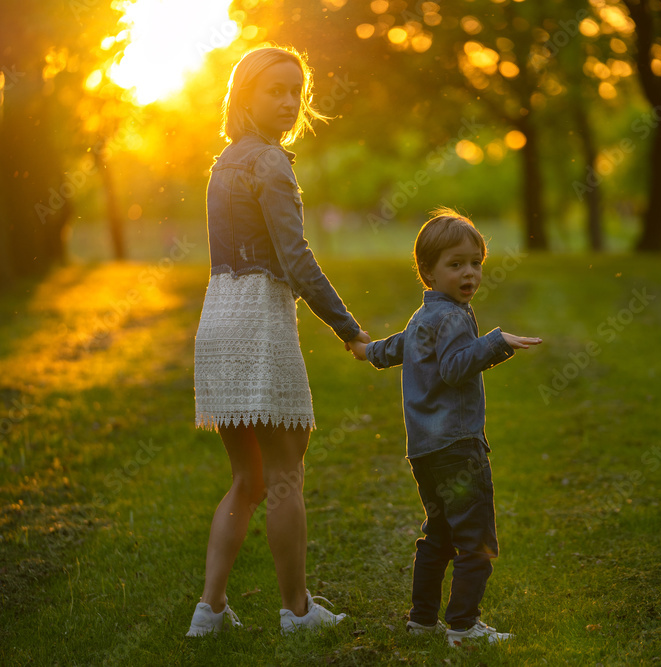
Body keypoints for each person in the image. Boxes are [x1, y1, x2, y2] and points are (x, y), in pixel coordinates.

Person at [188, 46, 369, 637]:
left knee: (250, 478)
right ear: (245, 95)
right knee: (286, 475)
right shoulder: (269, 163)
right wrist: (351, 331)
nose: (289, 102)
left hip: (218, 321)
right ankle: (297, 612)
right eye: (276, 91)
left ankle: (209, 610)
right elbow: (296, 261)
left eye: (296, 91)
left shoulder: (223, 163)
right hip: (259, 324)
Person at [348, 209, 542, 647]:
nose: (469, 273)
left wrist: (365, 350)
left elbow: (393, 348)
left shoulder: (423, 317)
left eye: (475, 262)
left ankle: (422, 619)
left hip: (425, 452)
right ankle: (463, 626)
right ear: (428, 272)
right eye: (456, 265)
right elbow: (455, 369)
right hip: (458, 447)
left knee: (438, 533)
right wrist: (497, 342)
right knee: (475, 540)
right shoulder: (454, 317)